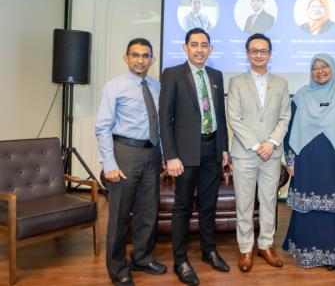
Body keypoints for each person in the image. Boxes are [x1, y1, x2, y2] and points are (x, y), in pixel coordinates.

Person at [159, 28, 230, 286]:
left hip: (212, 150)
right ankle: (181, 260)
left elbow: (219, 117)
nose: (200, 49)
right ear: (185, 48)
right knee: (182, 208)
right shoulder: (173, 74)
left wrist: (224, 148)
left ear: (210, 49)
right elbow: (165, 119)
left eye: (204, 45)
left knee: (208, 204)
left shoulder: (216, 75)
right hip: (185, 154)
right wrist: (171, 156)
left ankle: (209, 250)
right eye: (195, 44)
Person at [96, 38, 167, 286]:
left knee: (148, 212)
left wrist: (165, 156)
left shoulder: (157, 87)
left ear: (152, 60)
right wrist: (109, 164)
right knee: (118, 216)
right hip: (124, 153)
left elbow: (162, 125)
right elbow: (103, 127)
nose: (140, 60)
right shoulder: (114, 87)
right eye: (134, 55)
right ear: (126, 58)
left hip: (152, 154)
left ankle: (142, 258)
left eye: (145, 55)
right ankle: (117, 268)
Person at [282, 53, 335, 270]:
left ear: (333, 68)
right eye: (315, 67)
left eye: (324, 66)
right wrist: (290, 160)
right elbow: (290, 131)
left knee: (334, 211)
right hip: (307, 162)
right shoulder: (301, 96)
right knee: (307, 210)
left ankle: (333, 254)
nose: (319, 71)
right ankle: (305, 250)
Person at [227, 33, 291, 272]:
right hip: (245, 153)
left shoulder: (281, 83)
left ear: (270, 54)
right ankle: (245, 249)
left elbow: (285, 116)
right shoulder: (236, 82)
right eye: (254, 50)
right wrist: (256, 145)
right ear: (247, 54)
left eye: (263, 51)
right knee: (243, 203)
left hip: (272, 154)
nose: (258, 54)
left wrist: (271, 143)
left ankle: (265, 246)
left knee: (269, 201)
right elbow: (234, 117)